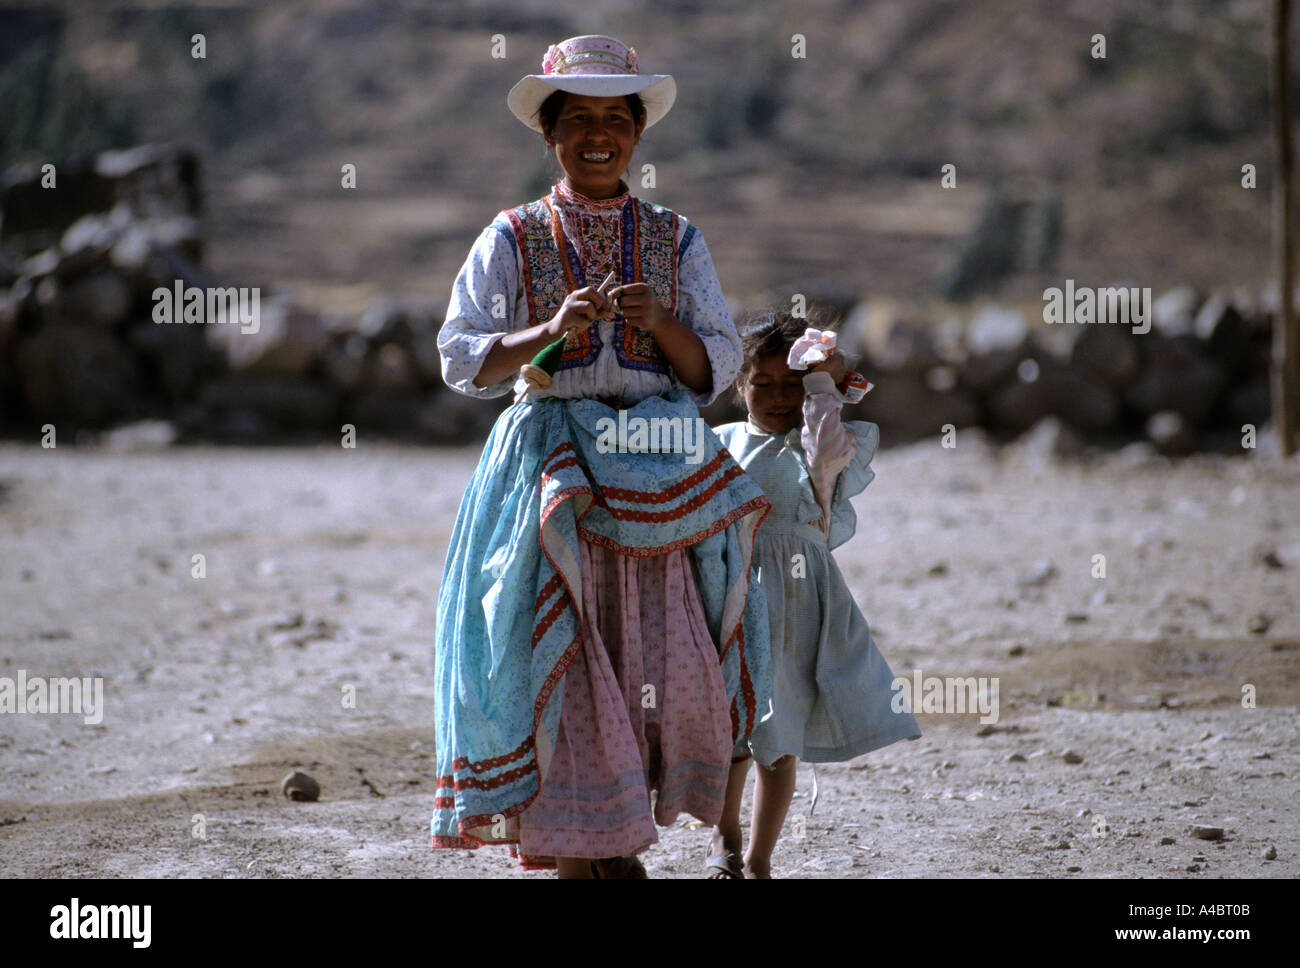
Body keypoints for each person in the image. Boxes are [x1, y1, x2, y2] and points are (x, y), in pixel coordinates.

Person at [432, 34, 771, 879]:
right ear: (548, 132)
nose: (597, 134)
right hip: (554, 473)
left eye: (614, 119)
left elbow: (714, 368)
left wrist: (659, 322)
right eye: (576, 118)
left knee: (656, 655)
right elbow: (462, 357)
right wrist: (549, 332)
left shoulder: (676, 238)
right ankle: (592, 842)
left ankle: (616, 834)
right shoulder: (510, 238)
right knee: (562, 647)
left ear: (637, 135)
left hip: (657, 473)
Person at [706, 310, 921, 878]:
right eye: (763, 384)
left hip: (797, 605)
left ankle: (758, 861)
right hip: (725, 600)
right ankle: (724, 842)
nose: (778, 398)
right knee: (728, 727)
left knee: (778, 734)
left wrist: (823, 380)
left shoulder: (816, 451)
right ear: (738, 385)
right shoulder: (716, 443)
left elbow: (826, 433)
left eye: (792, 384)